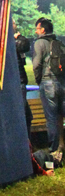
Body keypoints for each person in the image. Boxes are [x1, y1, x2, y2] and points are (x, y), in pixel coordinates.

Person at [32, 16, 65, 154]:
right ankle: (62, 146)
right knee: (61, 116)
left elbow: (36, 64)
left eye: (37, 28)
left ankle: (54, 151)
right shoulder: (59, 43)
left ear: (43, 30)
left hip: (48, 83)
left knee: (51, 119)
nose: (36, 31)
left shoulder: (39, 43)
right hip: (62, 83)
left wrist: (39, 80)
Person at [14, 24, 32, 138]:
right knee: (24, 114)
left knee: (28, 116)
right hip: (18, 80)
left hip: (19, 80)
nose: (16, 25)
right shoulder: (12, 41)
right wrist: (19, 37)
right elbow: (24, 45)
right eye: (13, 23)